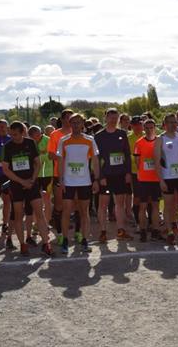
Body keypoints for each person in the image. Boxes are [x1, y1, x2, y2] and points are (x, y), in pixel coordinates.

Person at [1, 121, 52, 257]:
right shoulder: (7, 147)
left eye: (16, 134)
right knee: (18, 214)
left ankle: (46, 244)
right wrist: (21, 181)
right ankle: (22, 244)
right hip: (16, 185)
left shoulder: (31, 143)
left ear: (23, 133)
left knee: (39, 213)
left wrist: (32, 180)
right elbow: (5, 169)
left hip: (32, 183)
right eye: (11, 134)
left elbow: (37, 163)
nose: (13, 137)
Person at [57, 114, 99, 253]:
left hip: (85, 181)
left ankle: (85, 240)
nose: (76, 125)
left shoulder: (90, 140)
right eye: (73, 122)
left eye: (78, 122)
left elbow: (95, 161)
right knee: (66, 211)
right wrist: (61, 180)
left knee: (84, 212)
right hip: (68, 182)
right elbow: (60, 161)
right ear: (70, 124)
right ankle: (65, 240)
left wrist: (96, 179)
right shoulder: (63, 140)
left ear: (82, 124)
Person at [153, 113, 178, 246]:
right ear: (165, 124)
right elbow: (156, 161)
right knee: (169, 206)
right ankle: (170, 232)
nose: (173, 124)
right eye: (170, 122)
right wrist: (161, 180)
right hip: (168, 177)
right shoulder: (160, 139)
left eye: (175, 122)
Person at [94, 108, 133, 242]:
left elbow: (127, 154)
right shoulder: (99, 136)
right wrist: (100, 176)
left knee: (120, 203)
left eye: (116, 118)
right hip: (106, 175)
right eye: (111, 117)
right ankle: (103, 232)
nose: (113, 120)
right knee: (103, 204)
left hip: (120, 174)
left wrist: (128, 172)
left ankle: (121, 231)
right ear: (105, 118)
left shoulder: (122, 134)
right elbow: (96, 159)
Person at [133, 118, 161, 242]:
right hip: (143, 179)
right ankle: (143, 231)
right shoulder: (139, 142)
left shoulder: (159, 141)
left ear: (155, 128)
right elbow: (137, 161)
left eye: (151, 128)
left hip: (156, 179)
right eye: (147, 128)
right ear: (143, 129)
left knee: (155, 205)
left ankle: (155, 230)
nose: (149, 130)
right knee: (143, 206)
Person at [47, 109, 72, 240]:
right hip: (59, 173)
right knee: (59, 205)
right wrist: (66, 156)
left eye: (72, 118)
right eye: (67, 118)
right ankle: (59, 232)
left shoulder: (78, 134)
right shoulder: (55, 134)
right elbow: (50, 155)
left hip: (76, 174)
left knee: (75, 205)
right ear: (61, 119)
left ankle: (74, 232)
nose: (70, 120)